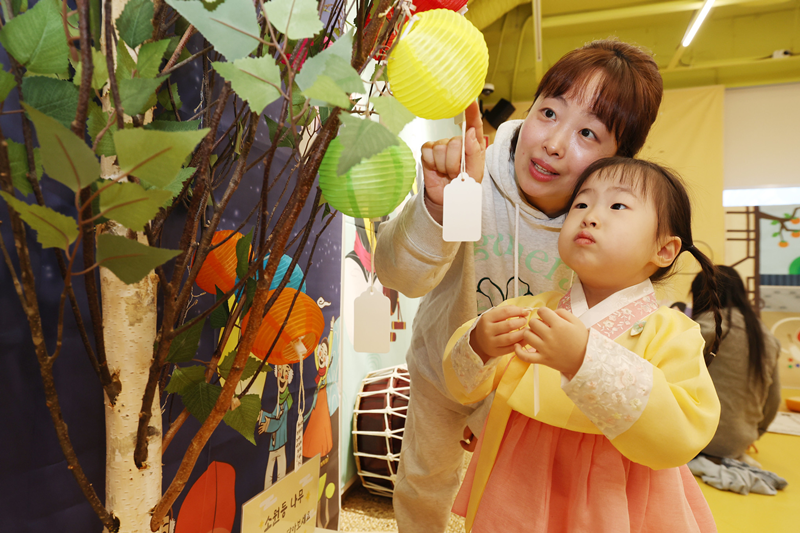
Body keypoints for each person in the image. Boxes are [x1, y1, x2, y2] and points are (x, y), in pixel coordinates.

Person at [375, 40, 663, 532]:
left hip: (525, 391)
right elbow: (400, 276)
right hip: (440, 367)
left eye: (588, 133)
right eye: (549, 112)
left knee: (508, 497)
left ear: (619, 159)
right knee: (424, 482)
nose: (553, 142)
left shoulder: (600, 227)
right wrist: (438, 207)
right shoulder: (472, 176)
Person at [443, 157, 723, 532]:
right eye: (581, 204)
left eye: (618, 205)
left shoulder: (671, 332)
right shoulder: (527, 312)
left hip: (616, 496)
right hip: (520, 480)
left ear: (664, 250)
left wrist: (584, 360)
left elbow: (684, 431)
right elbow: (462, 388)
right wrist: (478, 345)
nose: (590, 216)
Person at [691, 266, 782, 461]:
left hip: (697, 439)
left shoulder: (705, 326)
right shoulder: (765, 335)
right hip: (741, 441)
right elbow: (774, 400)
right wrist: (754, 432)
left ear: (700, 296)